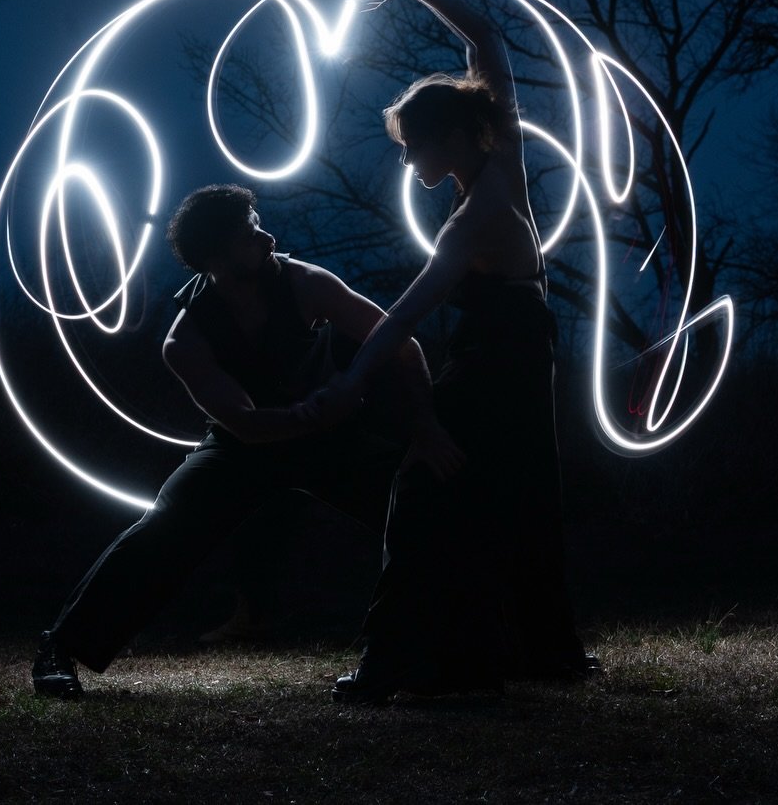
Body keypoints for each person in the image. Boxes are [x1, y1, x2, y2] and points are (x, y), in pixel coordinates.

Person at [32, 183, 460, 698]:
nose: (267, 238)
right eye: (249, 234)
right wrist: (313, 413)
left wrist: (425, 429)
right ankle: (62, 648)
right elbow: (246, 423)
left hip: (330, 435)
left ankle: (426, 652)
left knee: (419, 502)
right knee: (168, 526)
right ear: (214, 257)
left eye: (258, 226)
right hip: (246, 446)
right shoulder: (185, 339)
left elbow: (401, 343)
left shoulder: (306, 284)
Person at [306, 0, 588, 703]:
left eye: (416, 145)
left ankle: (403, 662)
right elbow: (487, 37)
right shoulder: (504, 165)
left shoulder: (476, 216)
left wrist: (350, 380)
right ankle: (506, 655)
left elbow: (405, 313)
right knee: (505, 496)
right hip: (518, 350)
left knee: (427, 486)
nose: (407, 161)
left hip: (501, 358)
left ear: (455, 136)